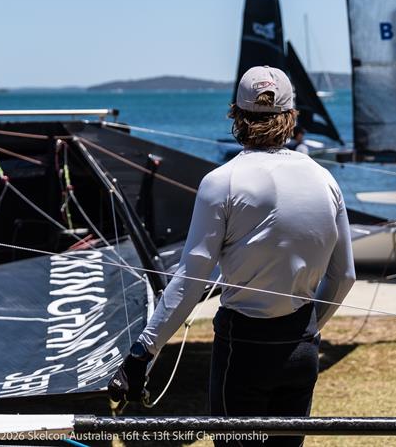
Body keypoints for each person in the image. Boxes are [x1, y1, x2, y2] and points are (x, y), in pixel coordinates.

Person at [108, 66, 356, 446]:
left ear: (237, 117)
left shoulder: (220, 181)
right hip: (302, 348)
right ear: (291, 117)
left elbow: (191, 280)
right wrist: (308, 329)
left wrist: (143, 352)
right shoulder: (326, 179)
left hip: (244, 351)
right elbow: (344, 277)